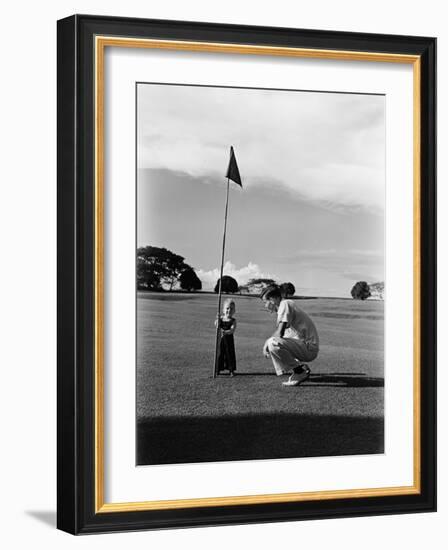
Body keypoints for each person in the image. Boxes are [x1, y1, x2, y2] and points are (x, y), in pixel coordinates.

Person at [261, 285, 319, 386]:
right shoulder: (283, 309)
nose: (265, 305)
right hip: (305, 346)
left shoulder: (285, 303)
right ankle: (301, 368)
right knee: (275, 343)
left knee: (272, 343)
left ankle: (299, 372)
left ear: (273, 299)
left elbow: (280, 333)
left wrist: (267, 342)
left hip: (308, 347)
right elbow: (285, 337)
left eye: (265, 302)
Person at [215, 299, 237, 376]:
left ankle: (231, 370)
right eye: (227, 308)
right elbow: (216, 325)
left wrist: (225, 332)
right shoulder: (220, 319)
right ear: (223, 310)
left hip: (229, 341)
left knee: (229, 355)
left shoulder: (233, 320)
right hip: (220, 340)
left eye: (231, 308)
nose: (229, 310)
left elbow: (232, 330)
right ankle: (217, 369)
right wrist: (217, 320)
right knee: (220, 354)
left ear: (234, 311)